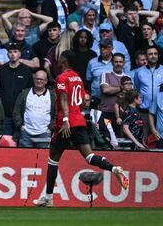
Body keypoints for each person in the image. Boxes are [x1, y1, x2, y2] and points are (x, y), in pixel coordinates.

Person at [33, 50, 129, 207]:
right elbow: (84, 101)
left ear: (64, 61)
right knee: (89, 156)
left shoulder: (61, 78)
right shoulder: (77, 78)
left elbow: (63, 98)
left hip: (65, 124)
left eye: (60, 58)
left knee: (53, 160)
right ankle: (115, 169)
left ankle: (48, 198)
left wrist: (65, 119)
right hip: (79, 121)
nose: (57, 61)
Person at [0, 43, 33, 135]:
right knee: (5, 141)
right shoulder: (1, 69)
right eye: (10, 52)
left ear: (20, 54)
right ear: (7, 55)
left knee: (21, 142)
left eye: (15, 51)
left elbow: (30, 91)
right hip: (4, 113)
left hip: (22, 114)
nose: (12, 54)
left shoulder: (26, 70)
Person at [12, 70, 56, 148]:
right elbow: (16, 111)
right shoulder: (25, 93)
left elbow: (57, 113)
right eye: (37, 79)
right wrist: (20, 126)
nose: (39, 81)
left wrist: (50, 128)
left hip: (44, 133)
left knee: (43, 157)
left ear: (46, 81)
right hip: (26, 133)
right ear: (34, 80)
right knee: (25, 157)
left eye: (41, 79)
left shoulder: (52, 95)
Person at [133, 46, 163, 142]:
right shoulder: (139, 72)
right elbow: (137, 88)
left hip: (160, 111)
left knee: (159, 138)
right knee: (144, 138)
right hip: (144, 110)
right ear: (146, 56)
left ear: (158, 56)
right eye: (150, 54)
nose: (153, 56)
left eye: (155, 54)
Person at [100, 53, 129, 144]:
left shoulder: (128, 77)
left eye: (120, 62)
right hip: (106, 113)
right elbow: (105, 90)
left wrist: (113, 89)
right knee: (107, 139)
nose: (118, 64)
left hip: (122, 115)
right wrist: (121, 88)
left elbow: (130, 94)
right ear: (112, 63)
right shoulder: (106, 74)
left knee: (121, 141)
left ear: (124, 63)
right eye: (116, 61)